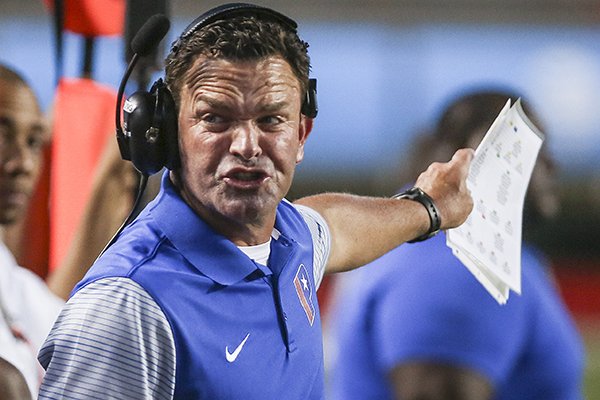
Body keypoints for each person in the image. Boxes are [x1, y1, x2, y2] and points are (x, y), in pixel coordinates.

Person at [37, 4, 474, 399]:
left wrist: (428, 208)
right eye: (215, 119)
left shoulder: (290, 240)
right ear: (170, 135)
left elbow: (335, 228)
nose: (247, 145)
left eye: (270, 119)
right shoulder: (126, 308)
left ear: (301, 135)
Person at [326, 89, 586, 400]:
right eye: (529, 145)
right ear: (468, 153)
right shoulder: (457, 261)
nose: (552, 164)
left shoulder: (431, 245)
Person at [0, 63, 136, 397]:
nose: (24, 164)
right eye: (3, 136)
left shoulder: (19, 289)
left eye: (33, 142)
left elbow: (76, 334)